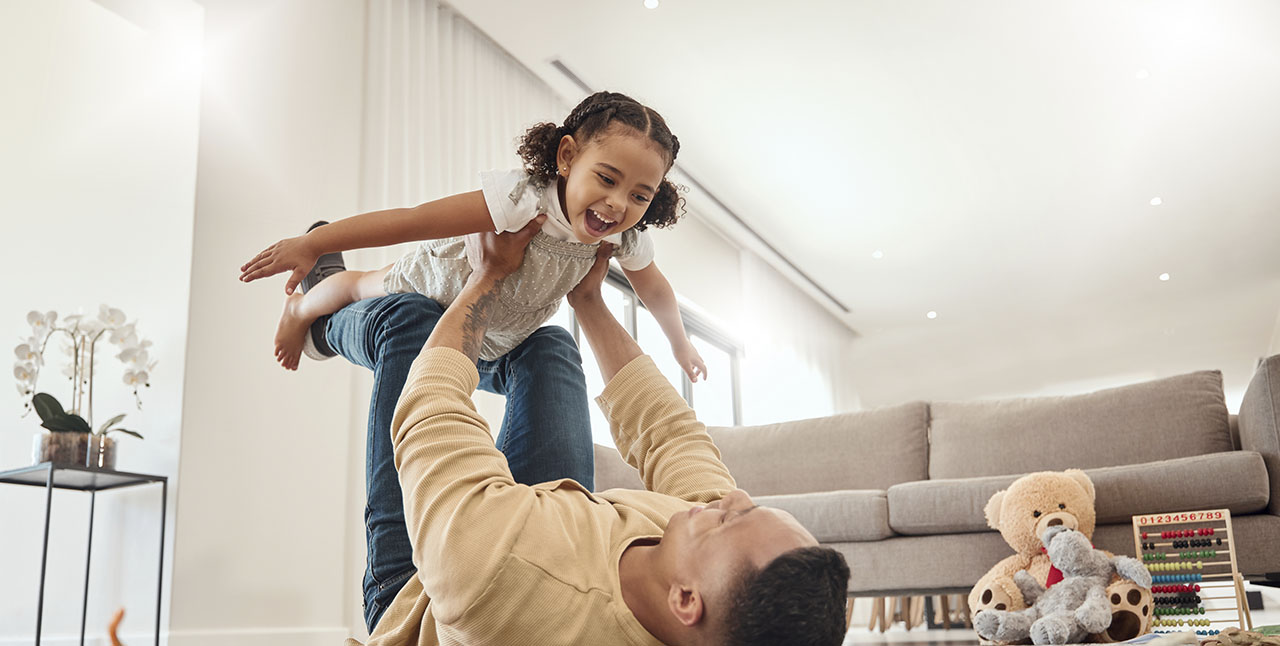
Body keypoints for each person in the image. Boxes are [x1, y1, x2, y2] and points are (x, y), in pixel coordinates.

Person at [344, 222, 851, 646]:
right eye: (748, 508)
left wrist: (488, 275)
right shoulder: (697, 554)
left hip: (423, 585)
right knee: (549, 347)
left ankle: (320, 321)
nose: (733, 496)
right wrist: (589, 299)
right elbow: (671, 436)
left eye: (727, 521)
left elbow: (430, 411)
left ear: (686, 600)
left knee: (411, 322)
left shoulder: (496, 574)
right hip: (537, 532)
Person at [238, 91, 707, 383]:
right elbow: (413, 219)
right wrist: (313, 245)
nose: (619, 204)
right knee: (360, 285)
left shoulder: (622, 238)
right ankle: (302, 307)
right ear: (567, 157)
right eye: (606, 179)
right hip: (435, 285)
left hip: (491, 329)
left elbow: (655, 290)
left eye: (640, 196)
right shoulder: (523, 198)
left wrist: (679, 343)